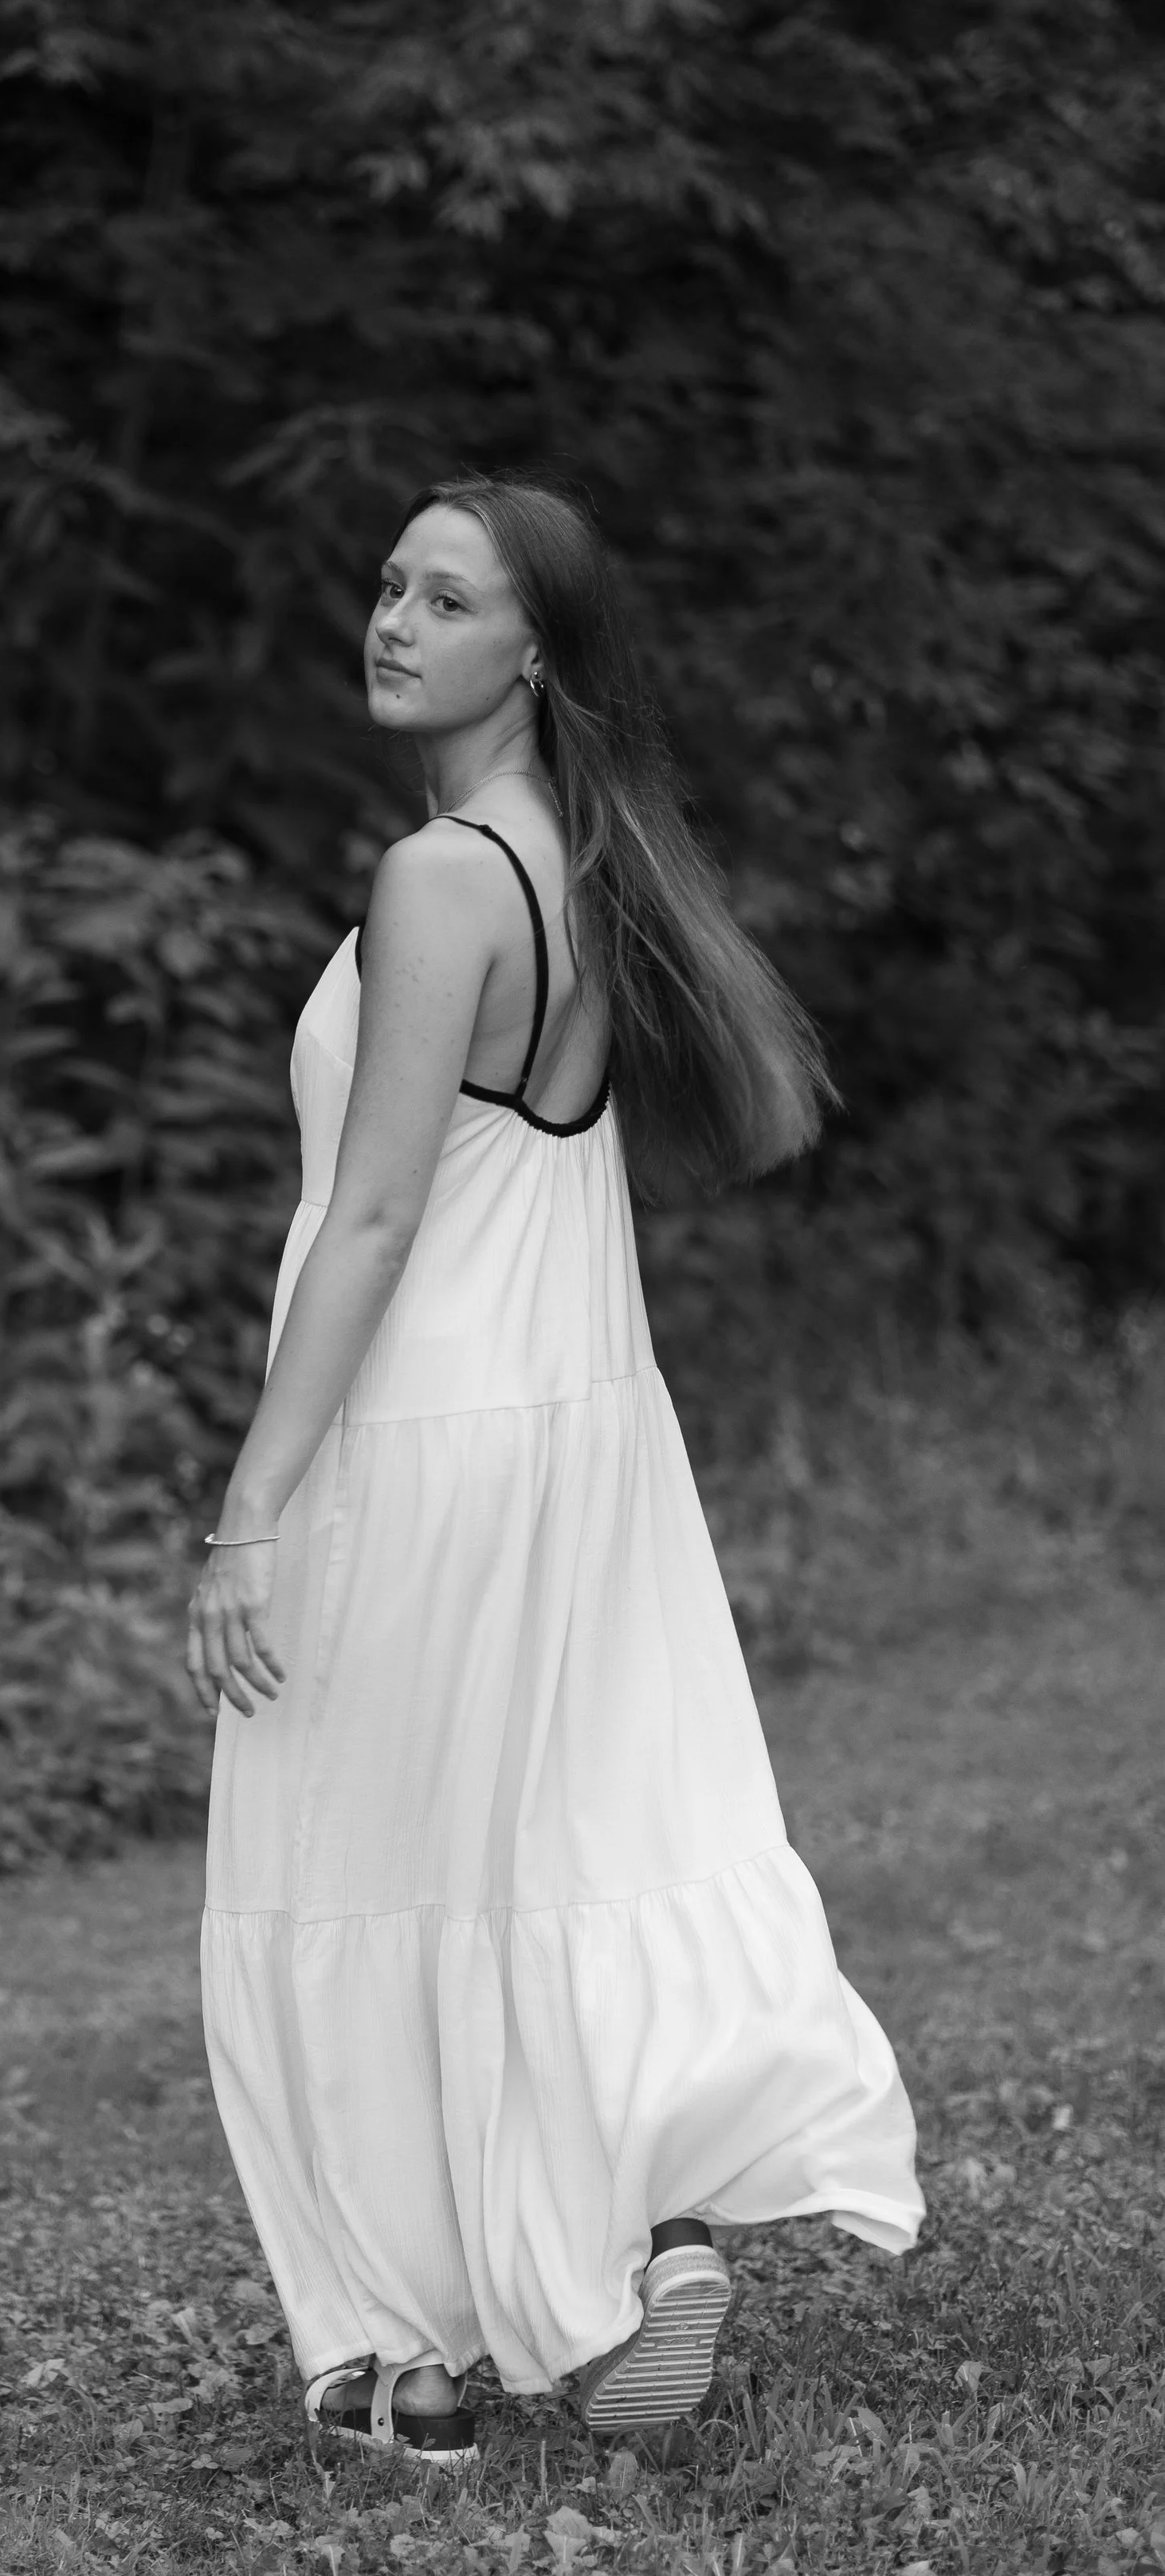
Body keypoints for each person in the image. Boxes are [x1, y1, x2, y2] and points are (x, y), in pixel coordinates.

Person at [187, 472, 924, 2463]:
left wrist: (248, 1505)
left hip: (422, 1436)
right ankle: (639, 2239)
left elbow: (370, 1220)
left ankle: (411, 2354)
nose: (392, 619)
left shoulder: (440, 881)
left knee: (351, 1865)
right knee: (535, 1849)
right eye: (386, 584)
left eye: (447, 598)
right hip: (574, 1428)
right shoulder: (575, 865)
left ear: (535, 652)